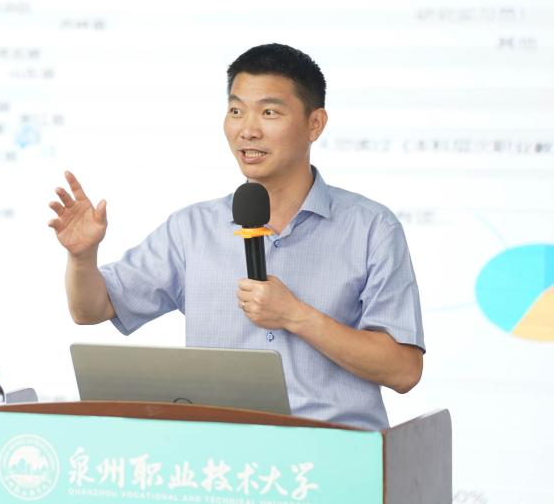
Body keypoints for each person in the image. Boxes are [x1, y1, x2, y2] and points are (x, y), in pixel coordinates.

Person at [47, 43, 424, 430]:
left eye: (269, 112)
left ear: (315, 124)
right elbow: (91, 309)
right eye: (236, 111)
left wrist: (295, 315)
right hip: (223, 456)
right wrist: (82, 257)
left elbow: (404, 370)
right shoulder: (192, 230)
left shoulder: (372, 228)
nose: (248, 130)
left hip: (336, 453)